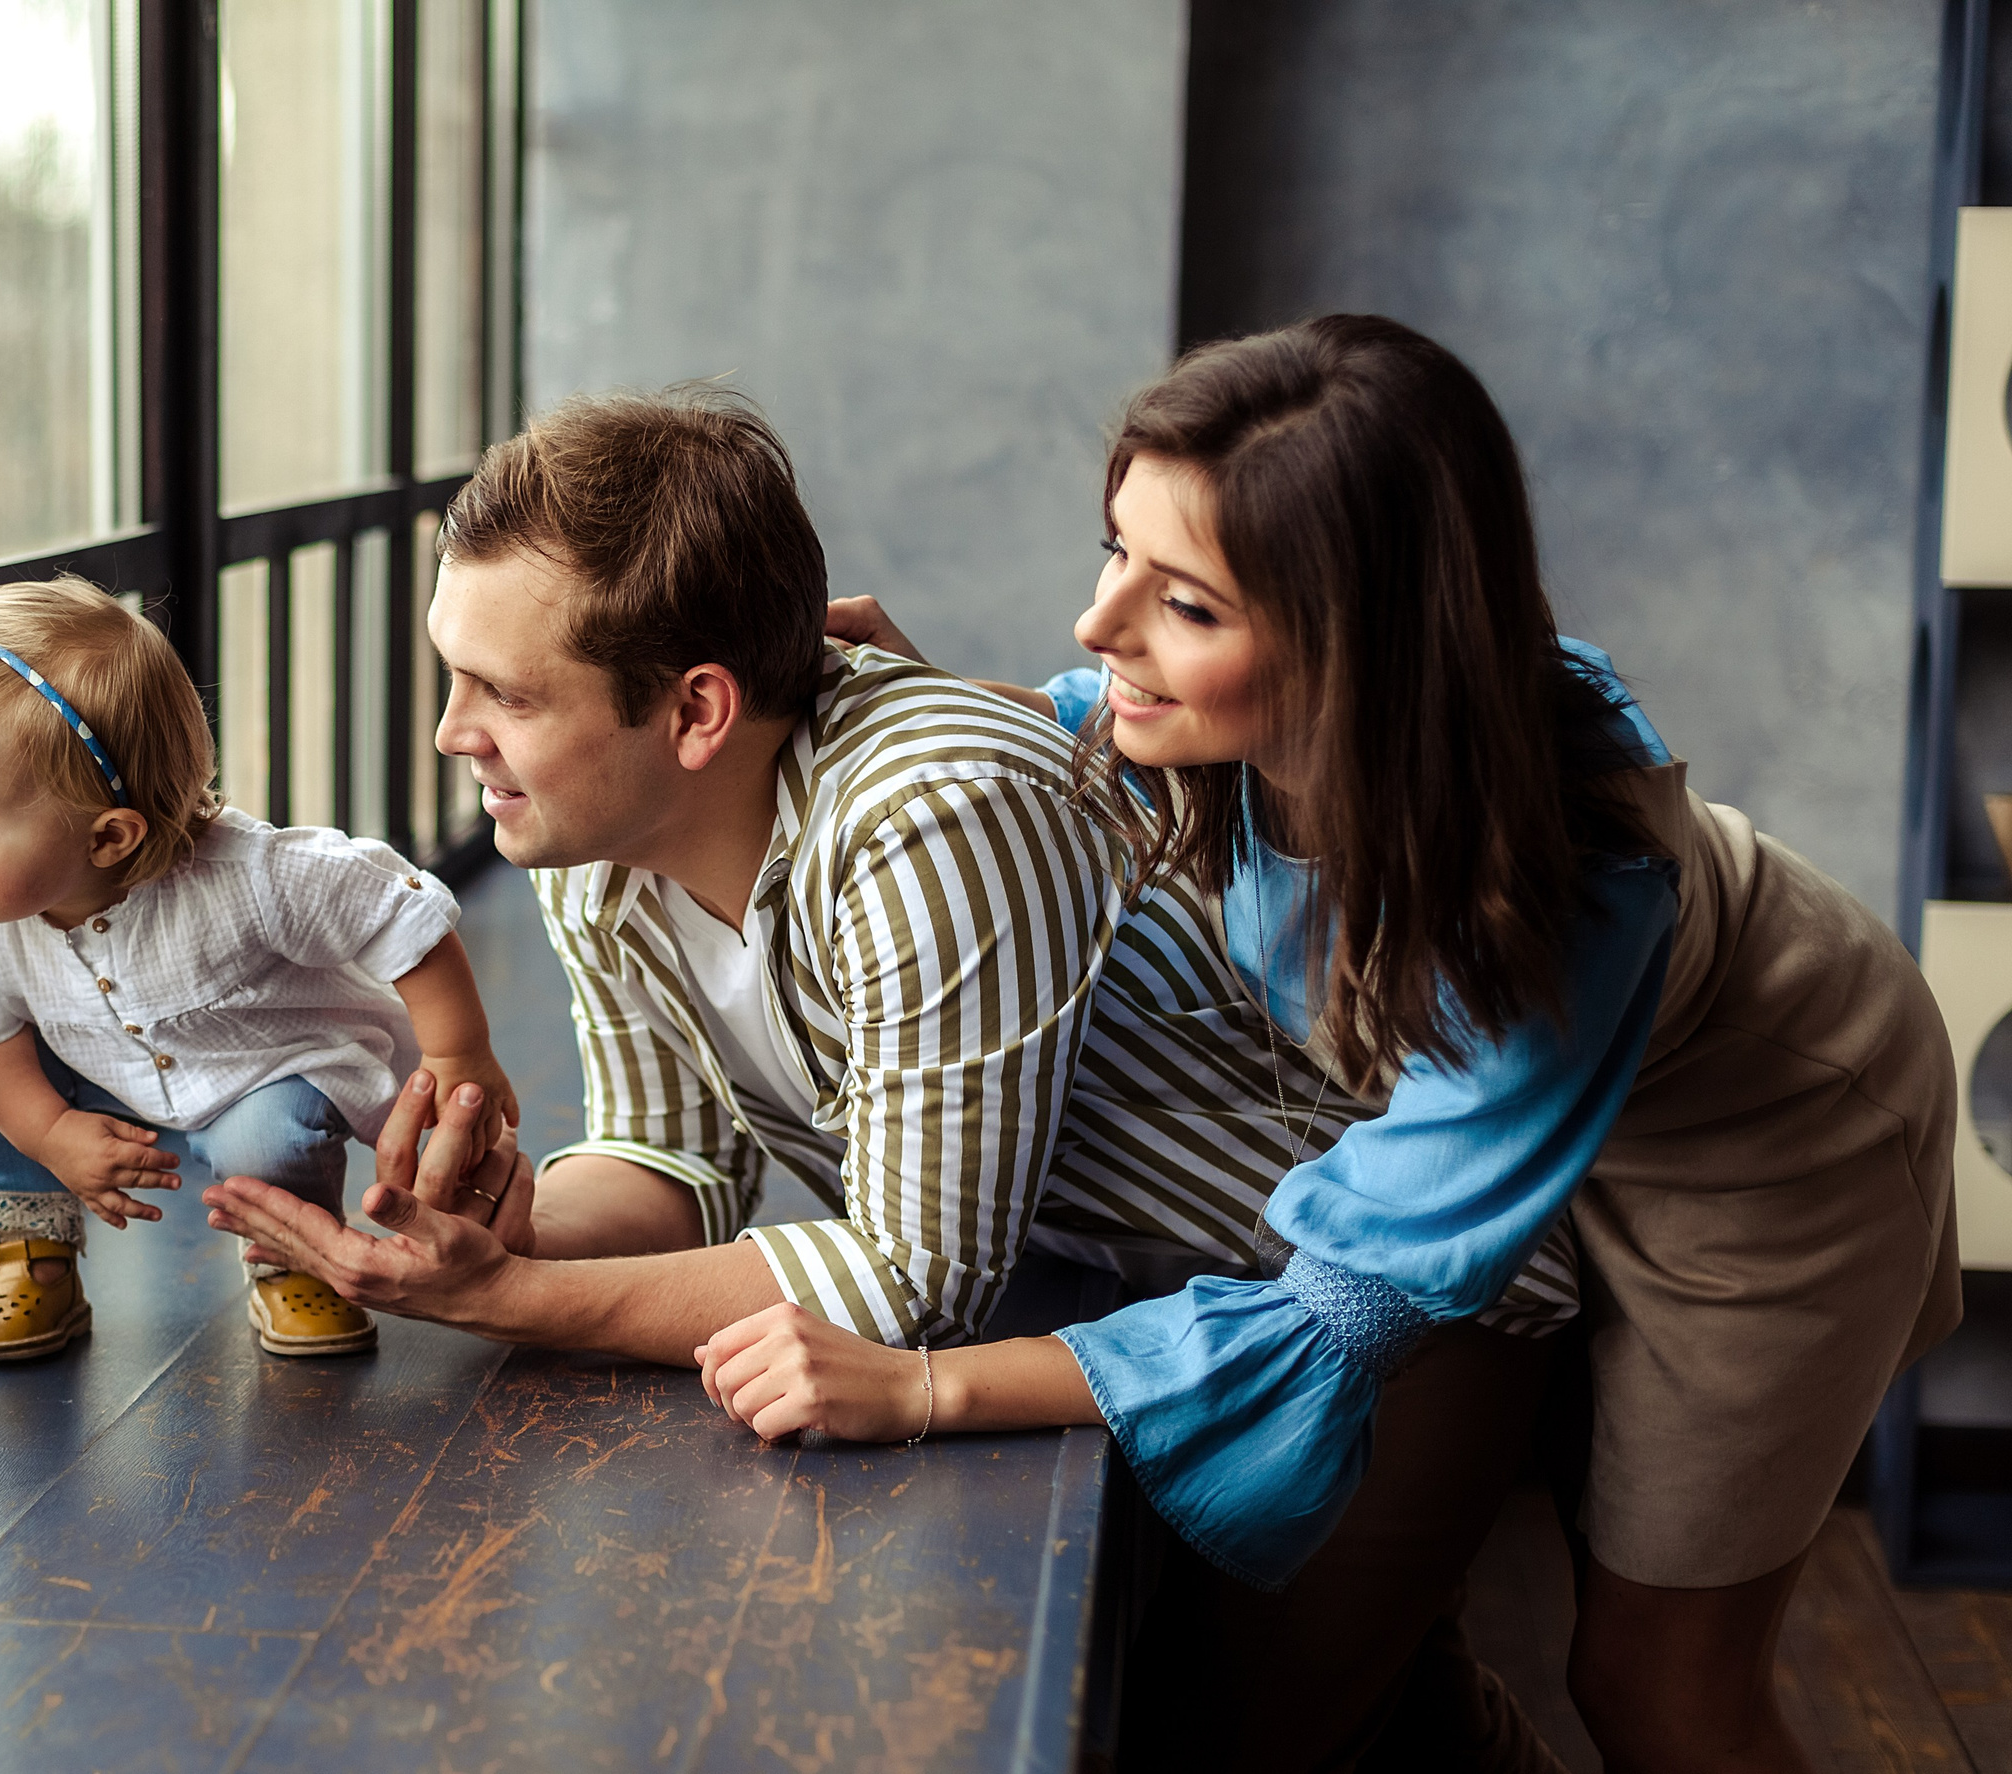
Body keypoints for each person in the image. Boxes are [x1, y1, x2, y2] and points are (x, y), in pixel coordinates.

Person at [693, 316, 1959, 1774]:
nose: (1102, 630)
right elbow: (1066, 731)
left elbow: (1337, 1310)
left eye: (1188, 605)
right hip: (1533, 1095)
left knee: (1657, 1683)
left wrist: (923, 1386)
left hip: (1763, 1143)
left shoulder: (1560, 897)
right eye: (1115, 552)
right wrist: (925, 721)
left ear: (1355, 644)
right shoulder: (1259, 721)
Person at [200, 384, 1576, 1444]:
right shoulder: (591, 826)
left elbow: (917, 1278)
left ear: (696, 711)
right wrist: (513, 1229)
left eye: (504, 692)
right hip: (1114, 1302)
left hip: (1371, 1311)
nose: (454, 736)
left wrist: (511, 1305)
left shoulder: (934, 812)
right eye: (455, 676)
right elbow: (671, 1159)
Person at [0, 574, 516, 1361]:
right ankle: (27, 1253)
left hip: (253, 1070)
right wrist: (49, 1134)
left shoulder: (248, 877)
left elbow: (395, 909)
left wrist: (459, 1055)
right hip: (93, 1069)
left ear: (109, 839)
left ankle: (292, 1251)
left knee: (271, 1140)